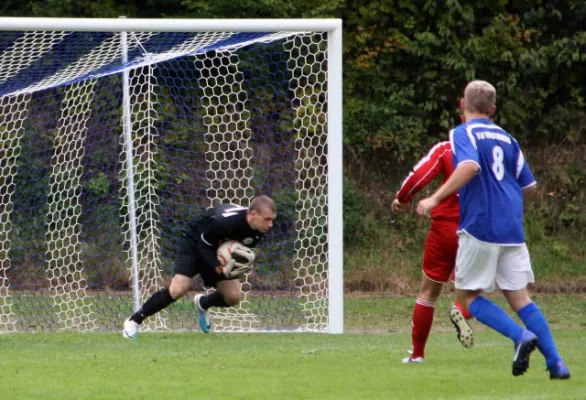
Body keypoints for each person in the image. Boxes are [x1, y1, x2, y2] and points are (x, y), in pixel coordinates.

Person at [416, 80, 570, 379]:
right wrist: (506, 202)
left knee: (466, 297)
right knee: (520, 298)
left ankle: (519, 336)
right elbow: (530, 187)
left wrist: (435, 198)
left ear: (464, 105)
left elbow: (470, 166)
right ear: (493, 109)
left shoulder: (463, 132)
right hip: (511, 227)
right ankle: (557, 363)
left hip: (480, 226)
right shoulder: (509, 139)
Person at [122, 195, 277, 338]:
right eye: (267, 219)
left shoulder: (259, 230)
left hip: (214, 248)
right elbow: (203, 245)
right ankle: (134, 321)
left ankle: (203, 303)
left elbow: (237, 249)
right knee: (178, 289)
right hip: (194, 242)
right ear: (253, 214)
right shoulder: (225, 222)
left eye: (272, 220)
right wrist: (217, 267)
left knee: (233, 297)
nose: (271, 224)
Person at [392, 139, 473, 364]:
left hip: (445, 229)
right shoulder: (494, 145)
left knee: (428, 291)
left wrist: (402, 197)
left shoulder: (448, 148)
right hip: (477, 228)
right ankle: (461, 311)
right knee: (472, 290)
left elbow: (420, 174)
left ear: (463, 112)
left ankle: (417, 354)